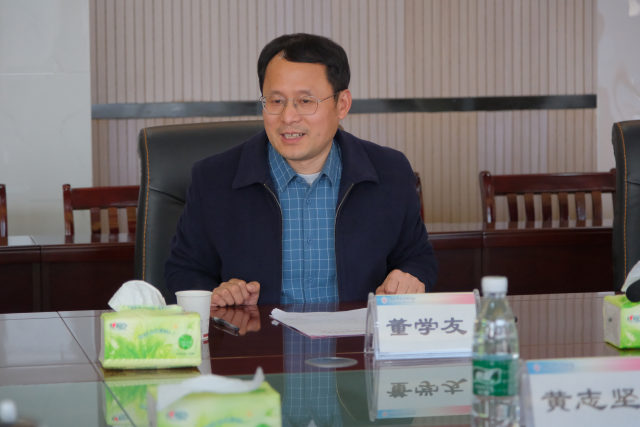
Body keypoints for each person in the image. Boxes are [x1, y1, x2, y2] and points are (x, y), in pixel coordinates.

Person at [165, 33, 438, 306]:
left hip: (356, 333)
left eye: (305, 101)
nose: (288, 117)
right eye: (276, 101)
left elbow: (417, 257)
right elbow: (184, 270)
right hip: (258, 333)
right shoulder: (213, 179)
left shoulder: (390, 172)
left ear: (342, 104)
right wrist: (217, 294)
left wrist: (410, 277)